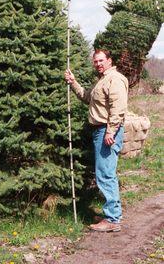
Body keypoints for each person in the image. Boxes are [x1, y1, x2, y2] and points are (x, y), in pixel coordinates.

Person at [64, 49, 128, 232]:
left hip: (107, 131)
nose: (98, 64)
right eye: (95, 61)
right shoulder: (101, 80)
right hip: (100, 131)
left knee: (106, 174)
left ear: (109, 60)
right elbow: (87, 97)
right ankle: (111, 214)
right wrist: (73, 82)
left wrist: (111, 131)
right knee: (104, 172)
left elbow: (118, 108)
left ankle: (113, 219)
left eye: (101, 60)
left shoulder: (114, 79)